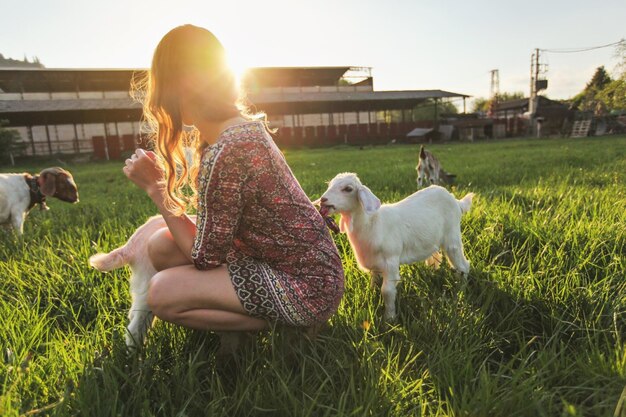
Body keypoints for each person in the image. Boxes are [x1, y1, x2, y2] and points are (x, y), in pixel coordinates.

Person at [122, 25, 344, 338]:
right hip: (306, 268)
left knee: (162, 294)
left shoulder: (228, 149)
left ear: (180, 85)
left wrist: (157, 189)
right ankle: (254, 314)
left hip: (307, 287)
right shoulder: (235, 132)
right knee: (160, 245)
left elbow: (204, 258)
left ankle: (289, 324)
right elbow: (215, 238)